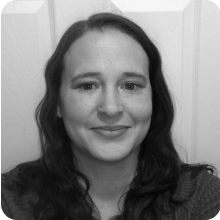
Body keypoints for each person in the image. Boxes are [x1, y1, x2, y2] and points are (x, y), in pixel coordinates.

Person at [1, 12, 220, 220]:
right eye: (87, 86)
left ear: (154, 100)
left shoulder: (204, 197)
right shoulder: (9, 201)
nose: (111, 108)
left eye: (131, 85)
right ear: (58, 103)